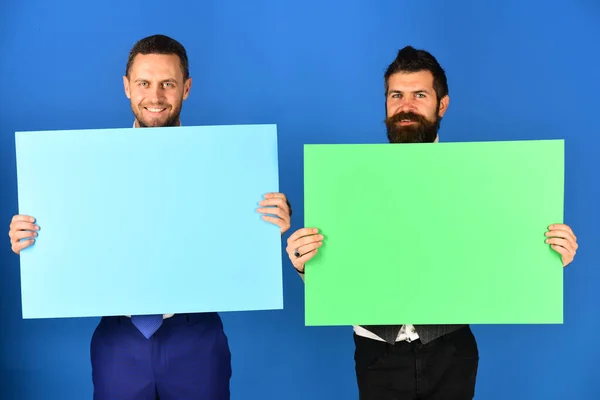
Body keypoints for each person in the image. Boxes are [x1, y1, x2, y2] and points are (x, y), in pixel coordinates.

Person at [7, 34, 292, 400]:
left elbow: (243, 234)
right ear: (127, 87)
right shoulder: (85, 170)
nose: (155, 97)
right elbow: (73, 240)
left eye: (167, 84)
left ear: (186, 88)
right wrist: (33, 242)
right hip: (118, 342)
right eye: (144, 83)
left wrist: (275, 221)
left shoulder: (226, 165)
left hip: (197, 338)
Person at [285, 46, 579, 400]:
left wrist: (548, 259)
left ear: (442, 104)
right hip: (377, 352)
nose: (405, 105)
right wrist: (305, 266)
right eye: (396, 95)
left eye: (419, 95)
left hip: (451, 349)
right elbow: (340, 268)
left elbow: (498, 250)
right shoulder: (347, 181)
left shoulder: (481, 179)